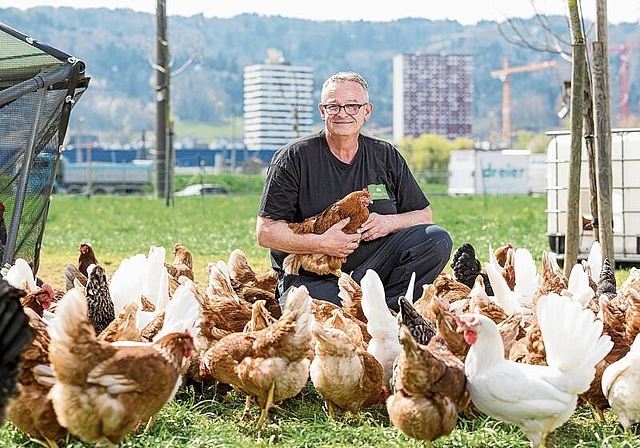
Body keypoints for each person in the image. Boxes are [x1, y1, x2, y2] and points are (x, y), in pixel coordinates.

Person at [256, 71, 452, 311]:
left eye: (352, 106)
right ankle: (367, 309)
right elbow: (266, 232)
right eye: (333, 106)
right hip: (314, 275)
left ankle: (391, 309)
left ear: (366, 111)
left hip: (377, 267)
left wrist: (390, 222)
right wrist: (322, 243)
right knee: (319, 317)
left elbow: (423, 215)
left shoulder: (385, 155)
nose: (342, 113)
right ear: (322, 111)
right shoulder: (293, 158)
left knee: (436, 238)